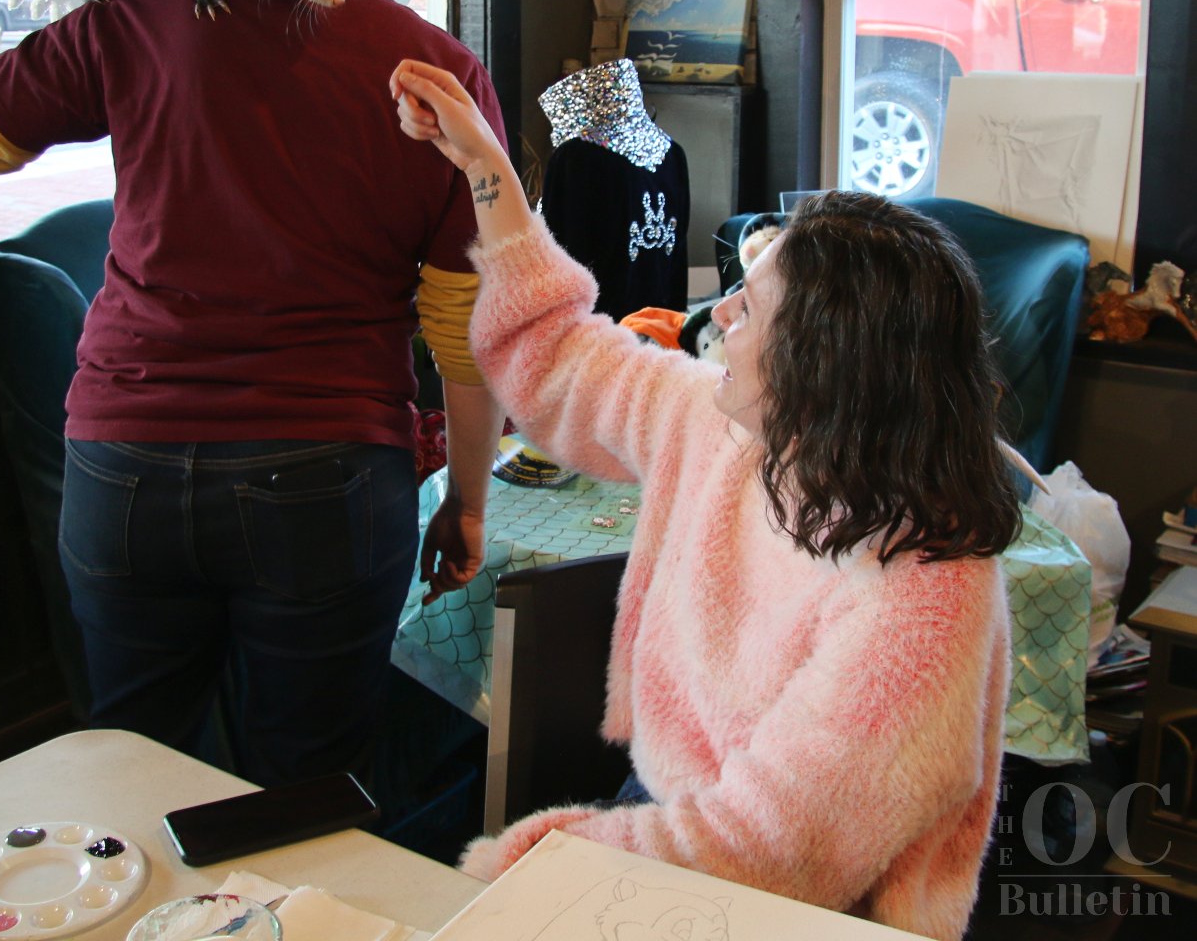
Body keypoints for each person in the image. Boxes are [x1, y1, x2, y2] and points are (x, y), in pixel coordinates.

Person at [0, 0, 507, 788]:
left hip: (124, 470)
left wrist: (111, 24)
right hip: (325, 481)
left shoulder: (139, 22)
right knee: (305, 804)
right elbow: (468, 335)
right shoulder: (440, 76)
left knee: (135, 785)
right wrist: (466, 501)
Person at [388, 60, 1023, 941]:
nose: (718, 316)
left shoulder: (924, 593)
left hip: (822, 908)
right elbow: (559, 355)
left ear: (821, 363)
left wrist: (529, 866)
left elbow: (771, 853)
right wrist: (484, 166)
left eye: (749, 307)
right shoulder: (731, 427)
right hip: (679, 805)